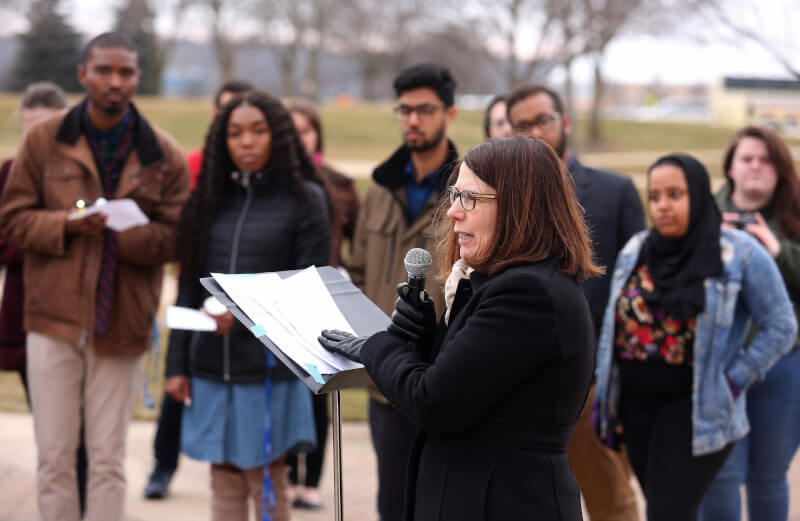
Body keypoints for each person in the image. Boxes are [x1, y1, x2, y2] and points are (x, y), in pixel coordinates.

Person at [321, 136, 600, 520]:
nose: (452, 211)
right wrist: (423, 340)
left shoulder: (528, 294)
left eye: (469, 198)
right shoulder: (497, 281)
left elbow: (434, 401)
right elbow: (472, 385)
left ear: (520, 207)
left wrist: (377, 347)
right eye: (454, 195)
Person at [0, 32, 190, 521]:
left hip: (122, 325)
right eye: (104, 70)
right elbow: (12, 219)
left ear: (137, 79)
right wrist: (68, 225)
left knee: (107, 460)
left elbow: (180, 237)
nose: (115, 81)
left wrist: (124, 236)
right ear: (83, 75)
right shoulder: (43, 141)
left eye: (125, 72)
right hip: (52, 321)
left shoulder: (163, 154)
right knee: (55, 458)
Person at [593, 153, 797, 521]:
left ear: (699, 194)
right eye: (655, 197)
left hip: (694, 406)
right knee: (664, 508)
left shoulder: (740, 252)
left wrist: (734, 381)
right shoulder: (636, 249)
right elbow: (615, 325)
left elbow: (781, 325)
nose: (662, 206)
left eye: (675, 194)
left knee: (668, 513)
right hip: (635, 405)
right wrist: (606, 394)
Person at [164, 89, 330, 521]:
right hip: (210, 366)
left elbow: (308, 290)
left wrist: (239, 319)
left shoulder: (306, 200)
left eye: (258, 130)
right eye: (235, 132)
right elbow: (186, 286)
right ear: (223, 140)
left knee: (266, 472)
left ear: (277, 134)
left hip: (269, 367)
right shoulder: (205, 202)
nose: (247, 141)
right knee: (222, 472)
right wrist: (176, 365)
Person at [506, 84, 644, 521]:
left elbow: (638, 291)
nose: (535, 131)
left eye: (542, 120)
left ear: (564, 122)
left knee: (610, 503)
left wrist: (618, 375)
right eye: (522, 125)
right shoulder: (502, 200)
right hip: (518, 379)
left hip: (594, 382)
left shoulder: (614, 191)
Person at [346, 62, 458, 521]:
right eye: (404, 109)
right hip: (385, 381)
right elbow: (357, 270)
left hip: (446, 376)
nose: (412, 119)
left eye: (424, 109)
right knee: (393, 502)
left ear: (448, 114)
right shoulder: (378, 188)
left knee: (443, 502)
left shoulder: (468, 188)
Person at [143, 77, 254, 500]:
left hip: (243, 314)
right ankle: (162, 464)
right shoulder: (192, 166)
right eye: (227, 115)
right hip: (198, 291)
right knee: (181, 379)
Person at [699, 127, 800, 521]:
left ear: (780, 170)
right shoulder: (703, 213)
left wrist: (777, 251)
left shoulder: (793, 217)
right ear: (730, 168)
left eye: (766, 159)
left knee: (769, 475)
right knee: (720, 474)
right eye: (747, 158)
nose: (756, 166)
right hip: (719, 366)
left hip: (785, 365)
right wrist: (710, 241)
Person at [285, 101, 361, 510]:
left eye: (307, 130)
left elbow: (358, 243)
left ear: (317, 134)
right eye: (291, 129)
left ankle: (311, 479)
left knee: (317, 392)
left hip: (322, 300)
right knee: (283, 393)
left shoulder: (338, 185)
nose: (299, 137)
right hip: (278, 301)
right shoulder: (273, 185)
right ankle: (286, 475)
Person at [184, 80, 253, 189]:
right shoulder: (192, 166)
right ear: (214, 114)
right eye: (228, 109)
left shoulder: (272, 169)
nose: (238, 117)